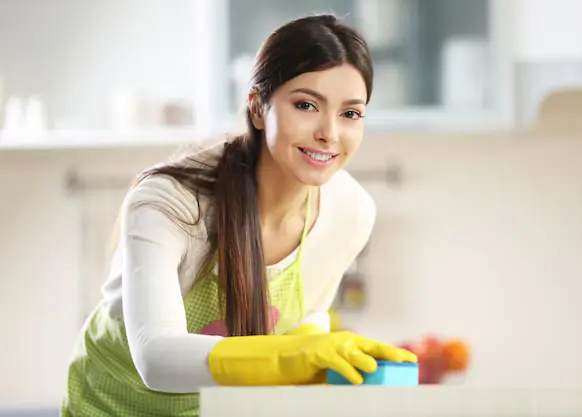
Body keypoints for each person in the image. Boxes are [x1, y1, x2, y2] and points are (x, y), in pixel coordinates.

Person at [61, 13, 416, 416]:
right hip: (112, 406)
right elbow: (156, 359)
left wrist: (319, 362)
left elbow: (310, 315)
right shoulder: (172, 203)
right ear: (258, 108)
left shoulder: (350, 213)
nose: (330, 133)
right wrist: (289, 358)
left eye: (350, 113)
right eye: (306, 104)